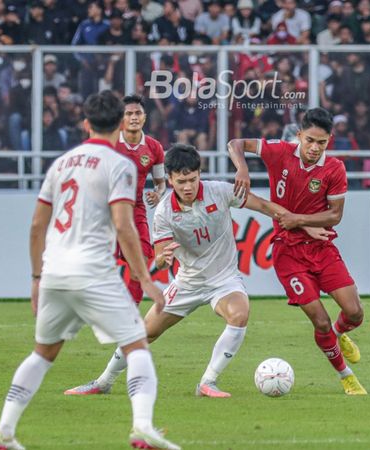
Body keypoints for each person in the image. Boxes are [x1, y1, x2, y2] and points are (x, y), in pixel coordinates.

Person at [0, 91, 180, 450]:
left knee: (42, 354)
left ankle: (4, 431)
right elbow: (125, 227)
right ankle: (142, 427)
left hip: (55, 273)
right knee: (138, 346)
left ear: (86, 124)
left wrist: (35, 279)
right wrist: (146, 279)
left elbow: (36, 226)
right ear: (121, 123)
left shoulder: (61, 163)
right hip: (93, 271)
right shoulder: (120, 164)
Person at [63, 144, 331, 398]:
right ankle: (103, 382)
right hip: (188, 282)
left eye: (192, 179)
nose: (188, 186)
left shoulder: (221, 192)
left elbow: (265, 206)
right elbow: (159, 256)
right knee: (144, 334)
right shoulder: (164, 212)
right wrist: (163, 258)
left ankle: (208, 382)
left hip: (223, 280)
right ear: (169, 179)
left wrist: (302, 223)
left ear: (199, 174)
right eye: (181, 182)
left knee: (239, 314)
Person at [228, 107, 368, 396]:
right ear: (299, 135)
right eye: (310, 141)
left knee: (354, 313)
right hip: (287, 252)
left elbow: (334, 215)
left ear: (329, 140)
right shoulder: (279, 151)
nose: (315, 148)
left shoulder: (334, 168)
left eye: (322, 143)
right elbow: (236, 144)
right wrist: (242, 167)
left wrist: (299, 220)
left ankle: (338, 336)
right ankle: (346, 376)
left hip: (322, 247)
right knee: (320, 319)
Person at [114, 94, 167, 303]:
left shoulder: (154, 148)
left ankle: (129, 314)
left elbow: (161, 182)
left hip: (135, 208)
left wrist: (158, 192)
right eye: (129, 114)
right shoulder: (110, 143)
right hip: (106, 209)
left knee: (142, 264)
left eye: (138, 113)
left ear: (145, 117)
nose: (134, 117)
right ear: (121, 118)